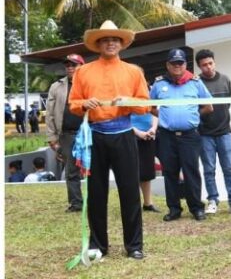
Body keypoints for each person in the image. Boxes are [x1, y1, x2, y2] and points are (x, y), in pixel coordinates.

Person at [68, 20, 150, 260]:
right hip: (94, 136)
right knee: (96, 192)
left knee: (129, 191)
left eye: (114, 39)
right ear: (98, 44)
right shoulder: (83, 71)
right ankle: (97, 245)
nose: (110, 43)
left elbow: (145, 105)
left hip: (124, 134)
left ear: (121, 44)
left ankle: (134, 245)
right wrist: (84, 104)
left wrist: (128, 102)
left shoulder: (133, 71)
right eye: (105, 40)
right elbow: (73, 103)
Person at [150, 48, 213, 223]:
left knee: (191, 171)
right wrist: (164, 117)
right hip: (167, 136)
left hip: (189, 136)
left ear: (185, 64)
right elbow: (150, 106)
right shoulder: (159, 84)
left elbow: (209, 106)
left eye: (180, 63)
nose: (177, 66)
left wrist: (193, 116)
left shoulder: (195, 83)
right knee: (170, 172)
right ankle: (174, 209)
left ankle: (196, 208)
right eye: (174, 63)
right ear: (167, 65)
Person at [195, 49, 231, 214]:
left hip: (225, 131)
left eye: (210, 63)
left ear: (214, 62)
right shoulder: (196, 83)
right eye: (204, 65)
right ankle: (212, 200)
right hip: (205, 133)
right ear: (199, 66)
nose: (208, 67)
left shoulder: (225, 79)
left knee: (228, 168)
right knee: (209, 169)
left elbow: (227, 104)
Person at [46, 53, 86, 212]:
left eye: (73, 65)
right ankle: (76, 203)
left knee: (94, 168)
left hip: (89, 133)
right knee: (71, 171)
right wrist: (52, 138)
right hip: (67, 134)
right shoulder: (56, 86)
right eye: (67, 65)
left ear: (82, 66)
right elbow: (49, 114)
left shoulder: (89, 84)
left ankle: (96, 201)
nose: (70, 68)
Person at [131, 111, 161, 213]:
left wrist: (153, 129)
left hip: (148, 135)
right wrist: (139, 133)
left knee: (146, 172)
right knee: (131, 172)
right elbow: (122, 119)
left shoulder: (149, 100)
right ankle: (133, 204)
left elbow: (155, 113)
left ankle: (148, 203)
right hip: (129, 136)